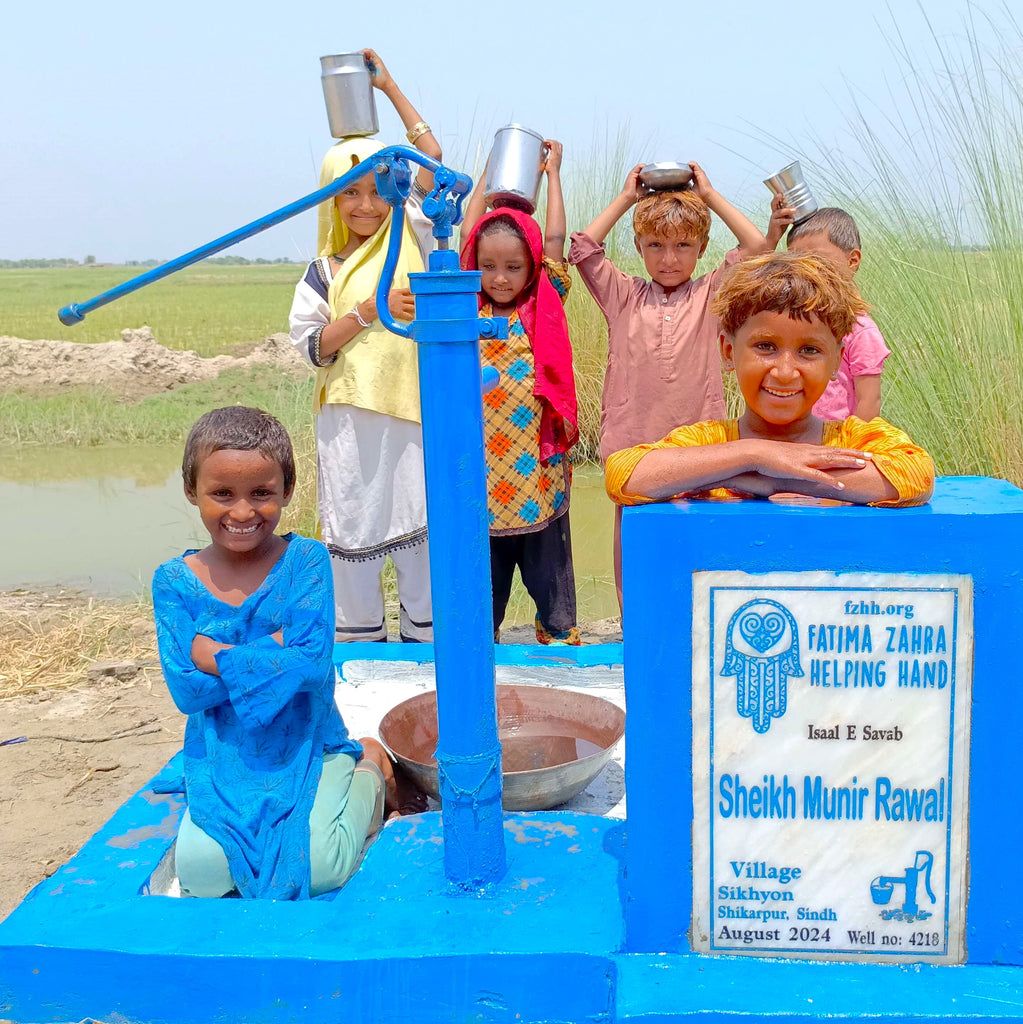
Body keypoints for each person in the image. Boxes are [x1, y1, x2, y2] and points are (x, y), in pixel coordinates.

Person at [152, 407, 398, 899]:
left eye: (261, 493)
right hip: (224, 751)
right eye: (222, 493)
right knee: (201, 875)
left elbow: (310, 665)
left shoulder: (306, 561)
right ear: (190, 491)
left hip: (310, 739)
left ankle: (371, 767)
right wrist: (279, 646)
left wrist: (214, 653)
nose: (242, 512)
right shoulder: (173, 581)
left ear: (286, 491)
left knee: (320, 866)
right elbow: (187, 690)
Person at [289, 49, 440, 644]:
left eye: (378, 190)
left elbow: (431, 165)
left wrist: (388, 86)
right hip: (349, 423)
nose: (366, 205)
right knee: (352, 533)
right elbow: (309, 348)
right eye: (351, 192)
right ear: (332, 199)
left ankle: (425, 659)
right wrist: (367, 312)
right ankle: (360, 656)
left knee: (420, 534)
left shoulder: (412, 229)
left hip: (411, 415)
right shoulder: (323, 269)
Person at [568, 163, 769, 604]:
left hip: (697, 444)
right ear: (638, 246)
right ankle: (631, 622)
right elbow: (582, 249)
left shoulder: (713, 293)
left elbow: (756, 246)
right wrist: (626, 198)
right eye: (655, 245)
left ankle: (689, 618)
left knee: (694, 530)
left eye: (683, 246)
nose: (669, 258)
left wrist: (709, 194)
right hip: (631, 441)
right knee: (632, 532)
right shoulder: (622, 295)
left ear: (702, 249)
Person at [605, 251, 934, 509]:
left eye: (809, 350)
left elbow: (914, 474)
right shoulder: (710, 441)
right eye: (765, 346)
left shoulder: (853, 440)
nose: (785, 371)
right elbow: (624, 473)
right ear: (728, 351)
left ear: (837, 360)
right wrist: (754, 455)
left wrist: (779, 478)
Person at [460, 141, 581, 645]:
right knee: (484, 564)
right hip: (484, 464)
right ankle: (478, 639)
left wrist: (552, 175)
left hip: (535, 460)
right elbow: (468, 232)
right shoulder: (465, 303)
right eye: (489, 266)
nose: (500, 277)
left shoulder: (543, 299)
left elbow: (553, 237)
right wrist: (490, 173)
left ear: (531, 266)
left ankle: (556, 628)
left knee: (546, 552)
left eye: (513, 266)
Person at [767, 203, 890, 421]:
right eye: (796, 261)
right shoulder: (802, 318)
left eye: (816, 260)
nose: (806, 270)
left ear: (852, 261)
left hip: (836, 445)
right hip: (797, 440)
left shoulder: (860, 330)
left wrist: (854, 451)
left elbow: (869, 402)